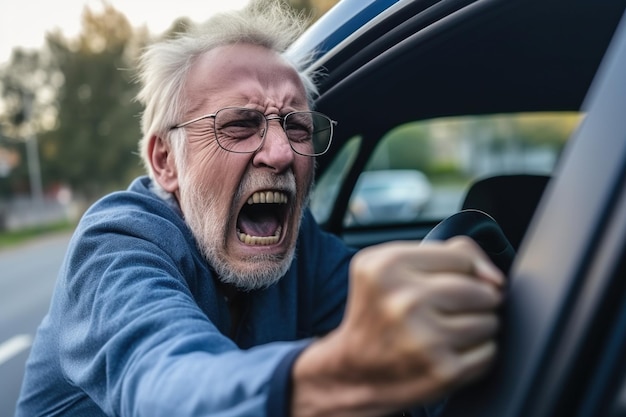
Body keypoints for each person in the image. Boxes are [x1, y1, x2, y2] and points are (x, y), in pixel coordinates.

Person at [15, 1, 504, 416]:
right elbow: (165, 379)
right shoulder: (117, 246)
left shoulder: (301, 246)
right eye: (241, 124)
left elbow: (392, 329)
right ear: (165, 161)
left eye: (296, 126)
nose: (282, 152)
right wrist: (347, 370)